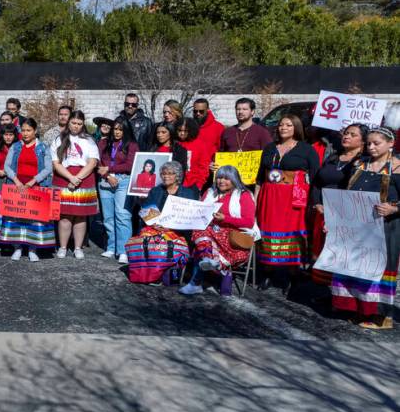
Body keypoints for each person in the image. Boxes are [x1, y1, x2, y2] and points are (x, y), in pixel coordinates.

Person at [329, 127, 400, 330]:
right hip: (358, 226)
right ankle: (359, 309)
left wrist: (394, 208)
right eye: (368, 143)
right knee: (358, 267)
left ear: (390, 144)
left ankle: (380, 316)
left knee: (379, 269)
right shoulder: (360, 164)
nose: (371, 147)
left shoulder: (397, 167)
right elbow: (345, 192)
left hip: (386, 228)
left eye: (376, 143)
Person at [255, 114, 319, 292]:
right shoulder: (269, 148)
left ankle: (292, 276)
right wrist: (255, 200)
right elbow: (260, 177)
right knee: (268, 233)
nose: (283, 128)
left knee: (292, 235)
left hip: (293, 199)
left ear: (296, 128)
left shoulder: (306, 150)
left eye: (289, 125)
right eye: (281, 125)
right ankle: (268, 272)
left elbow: (315, 178)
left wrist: (314, 202)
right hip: (269, 197)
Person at [180, 165, 258, 296]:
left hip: (235, 240)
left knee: (203, 238)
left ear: (234, 180)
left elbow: (249, 222)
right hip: (209, 237)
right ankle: (209, 263)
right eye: (219, 178)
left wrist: (225, 219)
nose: (221, 181)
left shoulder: (244, 195)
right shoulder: (210, 192)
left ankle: (197, 281)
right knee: (200, 231)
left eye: (226, 178)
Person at [308, 123, 366, 286]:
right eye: (346, 133)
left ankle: (341, 294)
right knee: (324, 252)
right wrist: (317, 203)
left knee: (342, 253)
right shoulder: (333, 157)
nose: (347, 136)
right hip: (324, 210)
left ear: (363, 141)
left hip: (346, 213)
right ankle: (328, 291)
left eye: (353, 135)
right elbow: (318, 182)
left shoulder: (364, 162)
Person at [128, 160, 198, 284]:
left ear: (177, 176)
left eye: (170, 174)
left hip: (177, 230)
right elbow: (146, 212)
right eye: (164, 174)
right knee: (146, 238)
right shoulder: (155, 191)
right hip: (155, 227)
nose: (166, 176)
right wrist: (154, 223)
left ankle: (160, 274)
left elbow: (190, 217)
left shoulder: (188, 193)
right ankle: (146, 273)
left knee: (165, 242)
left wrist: (171, 226)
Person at [0, 118, 54, 261]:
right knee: (16, 217)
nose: (25, 133)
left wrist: (33, 181)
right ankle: (17, 248)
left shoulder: (43, 147)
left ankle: (32, 249)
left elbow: (48, 168)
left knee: (34, 219)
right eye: (23, 130)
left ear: (35, 131)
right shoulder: (16, 146)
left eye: (28, 130)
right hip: (17, 185)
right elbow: (7, 166)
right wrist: (16, 181)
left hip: (35, 185)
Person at [51, 111, 99, 259]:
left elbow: (92, 162)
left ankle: (78, 247)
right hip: (63, 177)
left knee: (80, 216)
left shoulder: (89, 140)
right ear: (68, 122)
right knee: (64, 216)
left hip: (84, 177)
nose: (76, 126)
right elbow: (56, 163)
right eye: (73, 123)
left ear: (83, 124)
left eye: (79, 123)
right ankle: (63, 247)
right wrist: (70, 177)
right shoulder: (58, 139)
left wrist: (77, 178)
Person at [98, 119, 139, 263]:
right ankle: (111, 247)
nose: (117, 132)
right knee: (108, 217)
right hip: (105, 180)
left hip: (124, 180)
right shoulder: (103, 143)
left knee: (123, 215)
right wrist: (107, 175)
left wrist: (110, 169)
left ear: (126, 131)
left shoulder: (132, 145)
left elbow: (130, 165)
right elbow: (99, 163)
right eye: (115, 129)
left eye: (120, 129)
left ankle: (123, 251)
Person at [176, 118, 211, 190]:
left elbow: (204, 167)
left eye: (185, 131)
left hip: (192, 185)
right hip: (174, 184)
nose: (182, 133)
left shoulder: (199, 144)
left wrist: (198, 185)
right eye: (179, 130)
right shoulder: (174, 143)